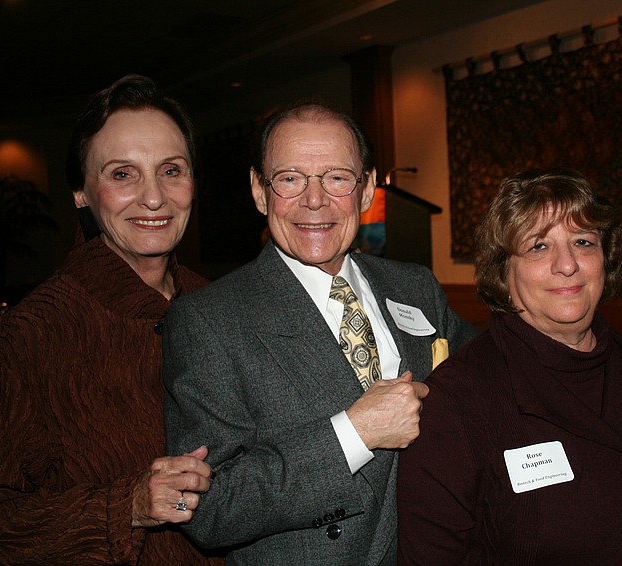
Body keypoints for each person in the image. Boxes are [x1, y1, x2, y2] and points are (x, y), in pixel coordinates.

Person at [161, 103, 480, 565]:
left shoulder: (413, 286)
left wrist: (614, 349)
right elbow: (210, 509)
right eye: (291, 178)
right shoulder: (208, 321)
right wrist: (355, 433)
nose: (315, 200)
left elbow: (488, 367)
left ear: (366, 187)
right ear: (259, 191)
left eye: (336, 177)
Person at [397, 168, 622, 565]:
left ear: (606, 258)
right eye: (538, 247)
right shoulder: (455, 402)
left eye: (583, 242)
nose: (567, 265)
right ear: (503, 270)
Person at [0, 75, 221, 564]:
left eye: (171, 170)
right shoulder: (28, 339)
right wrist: (127, 508)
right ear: (81, 193)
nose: (154, 197)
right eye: (123, 174)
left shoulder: (220, 305)